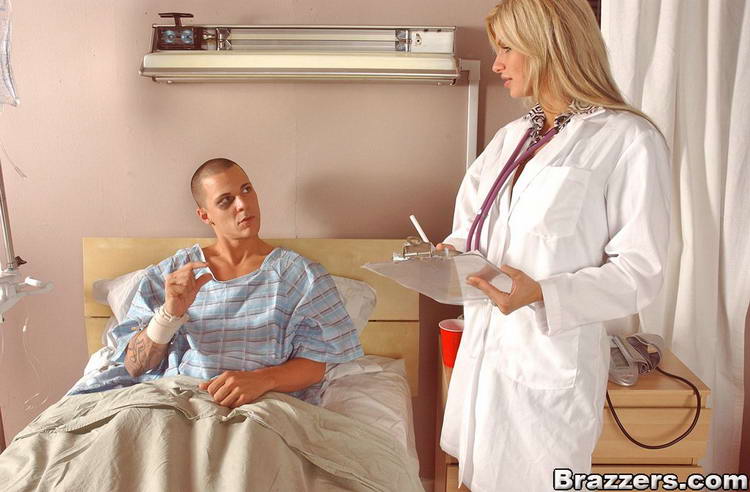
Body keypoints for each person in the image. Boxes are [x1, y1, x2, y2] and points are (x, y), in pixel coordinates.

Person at [436, 1, 671, 490]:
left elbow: (640, 270)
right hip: (485, 359)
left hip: (547, 368)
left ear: (547, 45)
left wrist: (543, 293)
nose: (497, 64)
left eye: (506, 49)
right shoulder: (511, 139)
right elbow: (472, 228)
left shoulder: (627, 139)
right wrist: (447, 254)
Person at [70, 158, 363, 406]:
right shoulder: (173, 275)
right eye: (226, 200)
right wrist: (169, 314)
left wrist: (262, 380)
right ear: (205, 215)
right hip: (178, 401)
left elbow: (315, 364)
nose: (243, 204)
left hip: (261, 405)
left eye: (246, 190)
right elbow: (134, 365)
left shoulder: (300, 276)